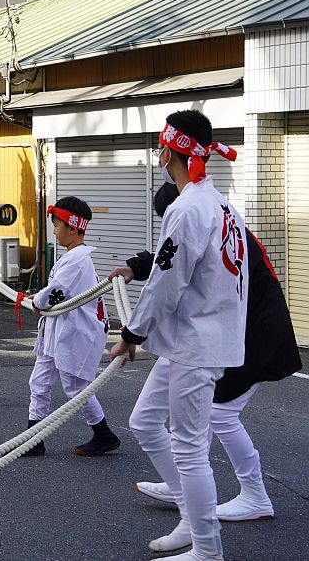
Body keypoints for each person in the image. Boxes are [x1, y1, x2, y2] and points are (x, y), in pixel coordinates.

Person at [113, 181, 302, 522]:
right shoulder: (218, 217)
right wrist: (136, 267)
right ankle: (183, 486)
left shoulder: (198, 215)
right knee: (148, 419)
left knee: (221, 414)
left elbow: (175, 271)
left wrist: (132, 334)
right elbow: (176, 259)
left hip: (249, 332)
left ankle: (254, 495)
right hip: (209, 334)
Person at [110, 110, 247, 561]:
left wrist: (131, 333)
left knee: (189, 447)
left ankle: (207, 548)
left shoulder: (188, 208)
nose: (158, 153)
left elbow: (166, 283)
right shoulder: (221, 205)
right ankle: (191, 518)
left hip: (196, 342)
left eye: (160, 147)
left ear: (169, 152)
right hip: (196, 338)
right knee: (145, 421)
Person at [23, 197, 120, 457]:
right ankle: (33, 438)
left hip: (75, 332)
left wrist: (38, 302)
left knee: (76, 387)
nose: (54, 231)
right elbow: (56, 293)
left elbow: (57, 291)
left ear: (74, 227)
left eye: (57, 225)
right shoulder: (72, 257)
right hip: (59, 330)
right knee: (39, 381)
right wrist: (39, 300)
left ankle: (103, 434)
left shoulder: (78, 259)